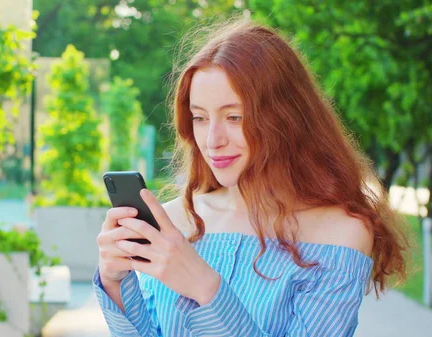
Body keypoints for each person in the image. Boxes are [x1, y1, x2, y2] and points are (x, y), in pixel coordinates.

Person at [93, 17, 410, 337]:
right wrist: (114, 282)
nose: (212, 140)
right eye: (200, 118)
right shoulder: (176, 219)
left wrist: (206, 289)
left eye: (234, 117)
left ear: (285, 117)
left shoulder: (341, 233)